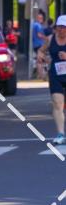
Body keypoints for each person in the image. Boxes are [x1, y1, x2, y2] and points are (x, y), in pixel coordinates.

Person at [37, 15, 66, 144]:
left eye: (63, 27)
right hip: (55, 75)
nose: (61, 30)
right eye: (59, 27)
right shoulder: (50, 39)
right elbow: (41, 50)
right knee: (57, 103)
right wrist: (40, 56)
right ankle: (60, 134)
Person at [32, 11, 48, 79]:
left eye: (42, 18)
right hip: (39, 45)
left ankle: (40, 75)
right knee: (41, 60)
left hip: (36, 45)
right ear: (38, 18)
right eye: (40, 18)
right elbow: (39, 35)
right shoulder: (38, 25)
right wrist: (46, 38)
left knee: (40, 60)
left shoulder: (35, 25)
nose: (41, 19)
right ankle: (41, 75)